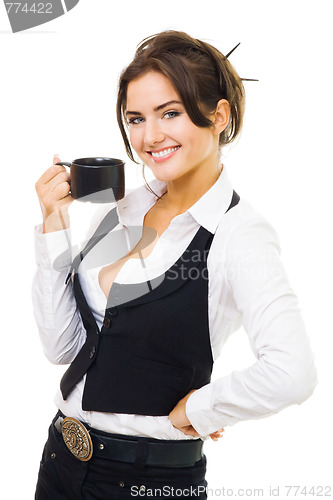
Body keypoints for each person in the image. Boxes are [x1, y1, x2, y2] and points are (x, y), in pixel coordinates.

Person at [33, 30, 317, 499]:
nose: (150, 136)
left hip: (148, 480)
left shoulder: (239, 234)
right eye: (136, 118)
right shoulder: (122, 208)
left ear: (218, 116)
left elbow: (292, 372)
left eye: (171, 113)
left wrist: (202, 410)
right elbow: (62, 346)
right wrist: (52, 224)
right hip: (60, 458)